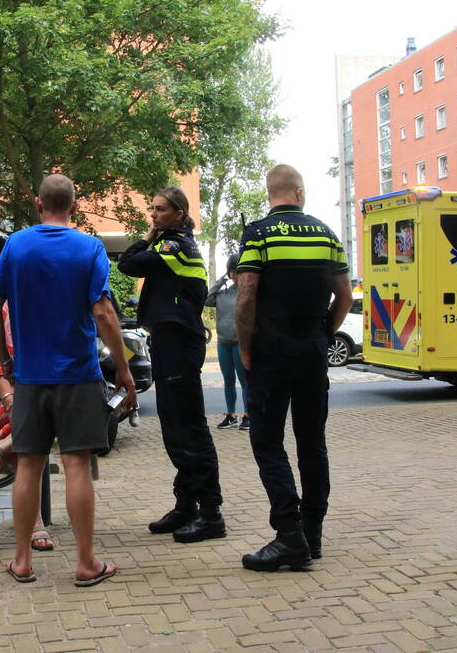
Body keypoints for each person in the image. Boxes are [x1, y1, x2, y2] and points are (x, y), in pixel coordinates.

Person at [0, 172, 136, 587]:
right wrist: (122, 369)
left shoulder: (16, 245)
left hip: (30, 377)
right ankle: (86, 564)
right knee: (76, 465)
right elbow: (104, 313)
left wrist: (4, 359)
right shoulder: (90, 247)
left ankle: (22, 561)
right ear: (74, 203)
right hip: (78, 375)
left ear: (38, 204)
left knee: (28, 465)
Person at [235, 165, 352, 572]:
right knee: (312, 442)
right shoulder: (326, 235)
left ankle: (289, 536)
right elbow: (345, 297)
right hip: (312, 352)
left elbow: (246, 297)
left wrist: (246, 349)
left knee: (267, 443)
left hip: (271, 353)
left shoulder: (258, 235)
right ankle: (312, 533)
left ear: (271, 194)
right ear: (299, 193)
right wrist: (323, 332)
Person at [117, 186, 224, 544]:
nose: (154, 215)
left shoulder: (175, 245)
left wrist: (149, 236)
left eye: (160, 210)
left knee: (189, 429)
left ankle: (210, 514)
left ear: (179, 213)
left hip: (180, 342)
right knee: (174, 428)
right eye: (152, 210)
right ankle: (186, 506)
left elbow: (128, 262)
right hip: (169, 340)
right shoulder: (170, 244)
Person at [0, 300, 54, 551]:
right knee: (31, 442)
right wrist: (9, 398)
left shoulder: (48, 304)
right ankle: (35, 521)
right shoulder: (3, 308)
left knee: (41, 427)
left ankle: (8, 443)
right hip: (6, 391)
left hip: (43, 384)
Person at [206, 253, 249, 431]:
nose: (233, 275)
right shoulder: (223, 294)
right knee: (228, 381)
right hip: (224, 343)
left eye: (236, 271)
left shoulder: (248, 293)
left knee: (245, 381)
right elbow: (207, 299)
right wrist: (221, 279)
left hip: (240, 343)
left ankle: (248, 415)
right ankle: (231, 416)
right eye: (231, 271)